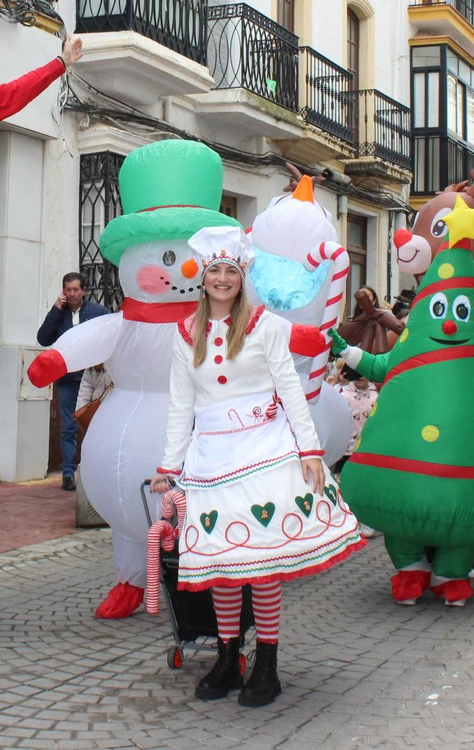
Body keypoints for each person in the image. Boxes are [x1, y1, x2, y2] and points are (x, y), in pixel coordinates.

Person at [151, 227, 364, 708]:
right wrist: (169, 464)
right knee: (224, 566)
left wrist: (309, 452)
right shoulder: (185, 335)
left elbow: (290, 388)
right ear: (202, 278)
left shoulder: (266, 325)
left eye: (231, 271)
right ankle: (228, 656)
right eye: (215, 271)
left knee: (263, 566)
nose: (222, 279)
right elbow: (180, 405)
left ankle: (266, 662)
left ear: (242, 276)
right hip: (211, 459)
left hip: (265, 450)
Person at [36, 272, 108, 491]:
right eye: (68, 290)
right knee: (68, 426)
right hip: (67, 379)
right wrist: (56, 310)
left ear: (84, 291)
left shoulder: (97, 312)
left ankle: (95, 469)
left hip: (93, 378)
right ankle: (68, 473)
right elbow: (43, 338)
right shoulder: (59, 314)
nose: (72, 294)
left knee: (94, 424)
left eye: (76, 289)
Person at [337, 286, 404, 356]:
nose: (363, 300)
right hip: (356, 358)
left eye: (367, 296)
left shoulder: (384, 315)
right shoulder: (356, 321)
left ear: (374, 300)